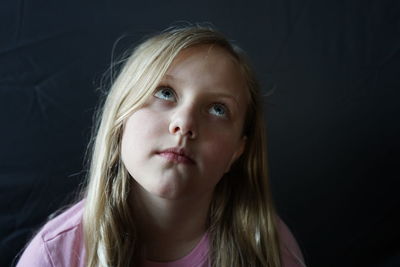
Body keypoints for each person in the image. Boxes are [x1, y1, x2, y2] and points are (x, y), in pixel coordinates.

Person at [16, 25, 306, 267]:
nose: (185, 123)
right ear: (120, 118)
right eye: (165, 92)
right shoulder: (54, 256)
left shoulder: (271, 253)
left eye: (218, 109)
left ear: (237, 152)